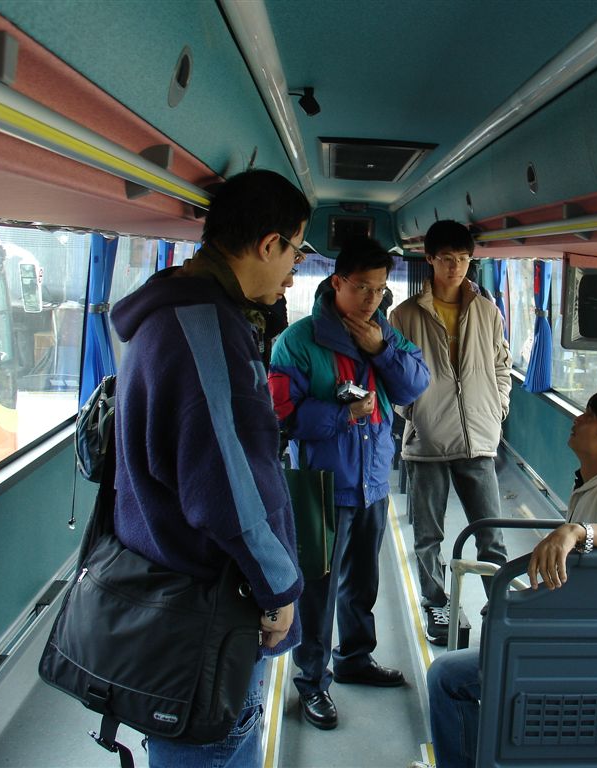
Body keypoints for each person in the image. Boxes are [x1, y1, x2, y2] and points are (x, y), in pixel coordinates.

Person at [109, 169, 310, 768]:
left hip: (168, 587)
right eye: (296, 251)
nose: (294, 271)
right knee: (214, 743)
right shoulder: (206, 329)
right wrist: (279, 589)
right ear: (269, 244)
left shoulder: (173, 309)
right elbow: (228, 485)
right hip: (207, 605)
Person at [412, 388, 597, 768]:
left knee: (446, 677)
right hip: (580, 633)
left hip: (581, 650)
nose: (577, 420)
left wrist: (577, 531)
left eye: (590, 416)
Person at [268, 237, 430, 730]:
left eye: (379, 289)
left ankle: (355, 658)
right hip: (322, 485)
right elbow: (282, 415)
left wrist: (381, 350)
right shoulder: (296, 342)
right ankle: (311, 681)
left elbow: (415, 384)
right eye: (361, 287)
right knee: (317, 591)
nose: (371, 299)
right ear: (336, 282)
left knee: (363, 580)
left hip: (373, 480)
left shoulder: (385, 334)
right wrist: (343, 414)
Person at [389, 220, 512, 646]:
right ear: (429, 259)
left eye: (463, 259)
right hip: (427, 440)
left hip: (478, 437)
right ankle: (436, 601)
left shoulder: (487, 311)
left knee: (491, 533)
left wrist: (497, 408)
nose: (456, 268)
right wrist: (415, 413)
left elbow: (501, 366)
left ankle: (499, 604)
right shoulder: (405, 315)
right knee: (429, 536)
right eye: (447, 259)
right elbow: (394, 377)